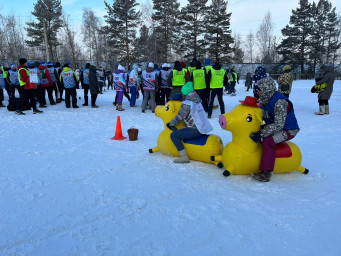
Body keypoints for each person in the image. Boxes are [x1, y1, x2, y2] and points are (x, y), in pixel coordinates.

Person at [249, 77, 299, 182]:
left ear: (266, 90)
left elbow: (279, 124)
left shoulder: (280, 102)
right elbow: (262, 114)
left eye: (259, 90)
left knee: (268, 141)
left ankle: (266, 173)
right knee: (256, 130)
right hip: (274, 126)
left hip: (288, 130)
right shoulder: (266, 99)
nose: (257, 92)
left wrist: (262, 133)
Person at [168, 82, 213, 163]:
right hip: (204, 128)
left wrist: (170, 124)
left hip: (196, 129)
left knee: (174, 135)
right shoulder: (197, 100)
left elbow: (180, 116)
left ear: (185, 93)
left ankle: (184, 156)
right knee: (183, 129)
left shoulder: (187, 103)